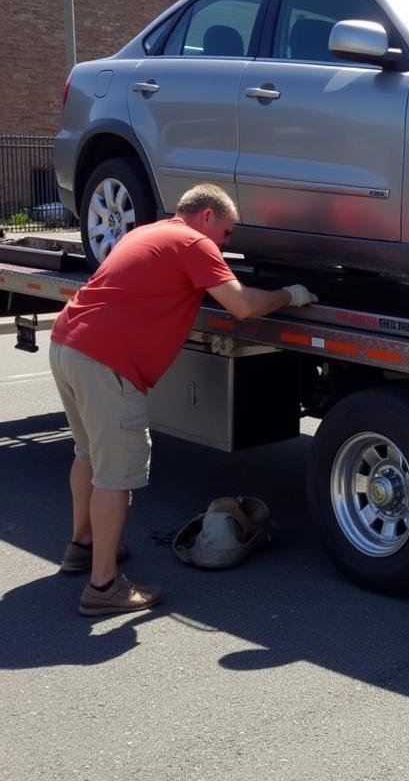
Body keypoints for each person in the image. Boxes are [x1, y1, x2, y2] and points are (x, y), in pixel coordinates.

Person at [49, 183, 318, 617]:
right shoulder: (194, 242)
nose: (226, 246)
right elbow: (242, 305)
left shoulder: (147, 232)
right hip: (106, 361)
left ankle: (82, 546)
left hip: (67, 343)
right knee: (116, 476)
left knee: (89, 455)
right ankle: (102, 586)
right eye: (227, 234)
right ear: (207, 216)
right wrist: (291, 294)